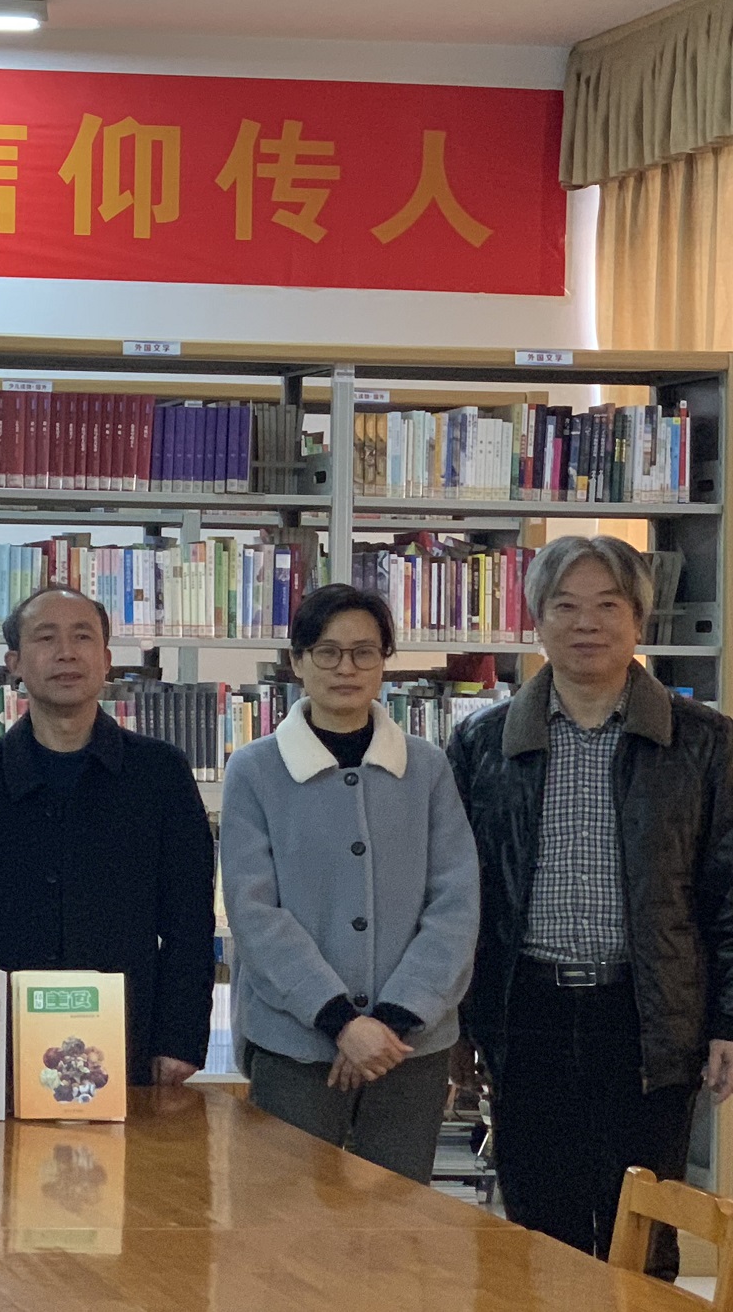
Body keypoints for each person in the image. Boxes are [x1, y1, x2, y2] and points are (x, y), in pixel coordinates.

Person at [449, 534, 733, 1275]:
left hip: (648, 1016)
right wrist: (459, 1020)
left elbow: (730, 892)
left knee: (646, 1239)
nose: (587, 624)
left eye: (608, 605)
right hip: (527, 1013)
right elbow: (455, 895)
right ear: (536, 620)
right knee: (536, 1242)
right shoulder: (482, 743)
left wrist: (728, 1021)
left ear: (639, 619)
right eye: (565, 606)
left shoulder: (705, 743)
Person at [219, 584, 480, 1181]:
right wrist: (341, 1022)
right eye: (327, 652)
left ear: (384, 661)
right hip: (295, 1044)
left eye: (364, 652)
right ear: (297, 661)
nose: (346, 668)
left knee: (396, 1221)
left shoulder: (427, 767)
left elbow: (456, 902)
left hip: (407, 1048)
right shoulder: (255, 770)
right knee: (288, 1223)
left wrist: (389, 1022)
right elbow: (254, 913)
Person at [0, 585, 216, 1087]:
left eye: (83, 637)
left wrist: (178, 1039)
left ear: (106, 660)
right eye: (46, 637)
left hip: (125, 1041)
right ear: (14, 663)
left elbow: (189, 919)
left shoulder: (159, 774)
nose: (66, 653)